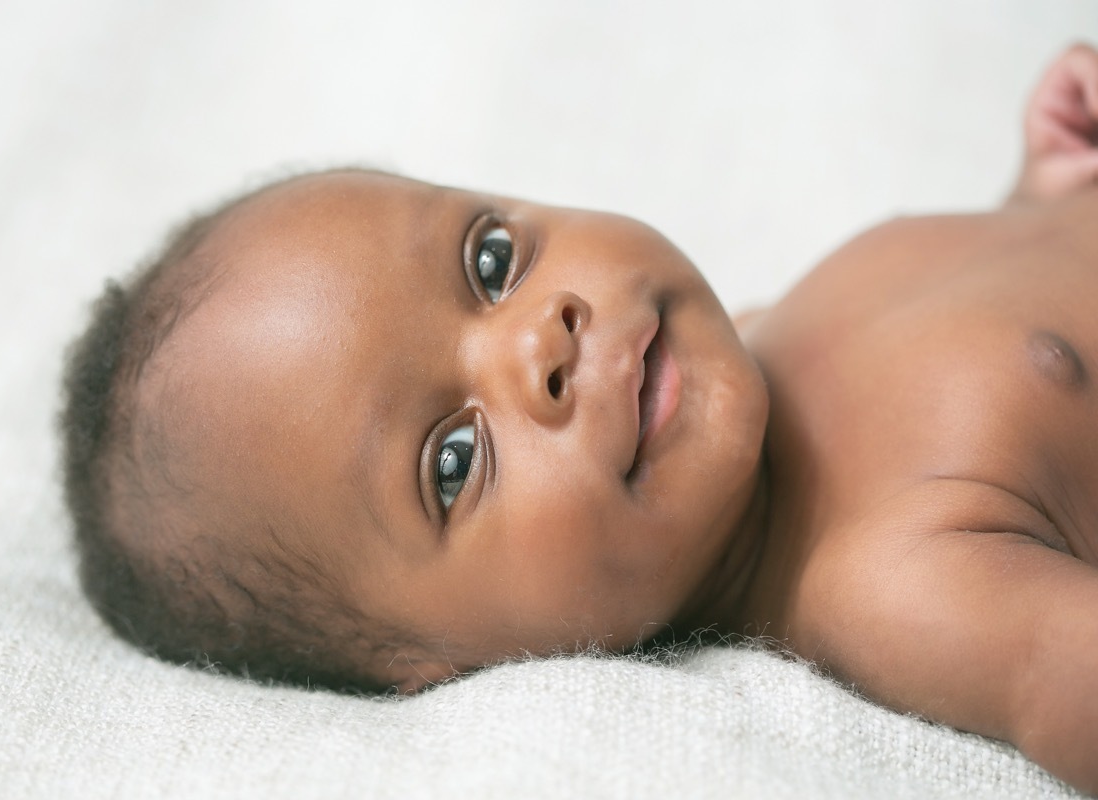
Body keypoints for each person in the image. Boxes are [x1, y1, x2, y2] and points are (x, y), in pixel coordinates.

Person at [60, 44, 1098, 791]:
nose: (539, 344)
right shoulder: (893, 575)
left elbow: (1001, 326)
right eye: (453, 460)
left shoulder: (770, 323)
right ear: (456, 668)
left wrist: (1040, 194)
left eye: (489, 261)